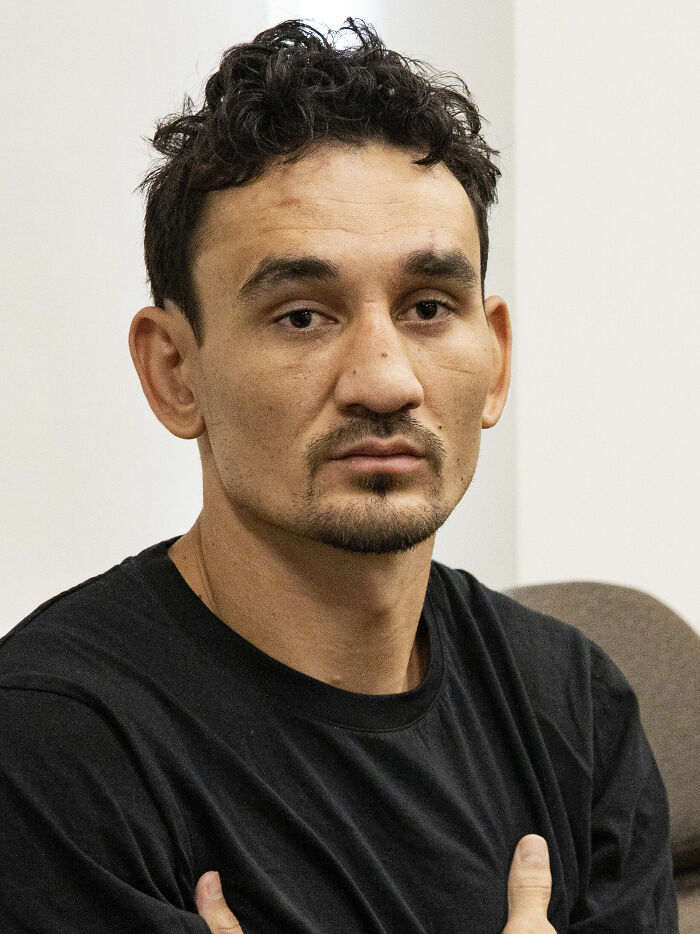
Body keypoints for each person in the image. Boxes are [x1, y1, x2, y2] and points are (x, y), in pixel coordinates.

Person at [0, 18, 678, 934]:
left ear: (498, 360)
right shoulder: (55, 746)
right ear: (174, 372)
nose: (386, 380)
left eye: (430, 308)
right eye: (303, 317)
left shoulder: (575, 707)